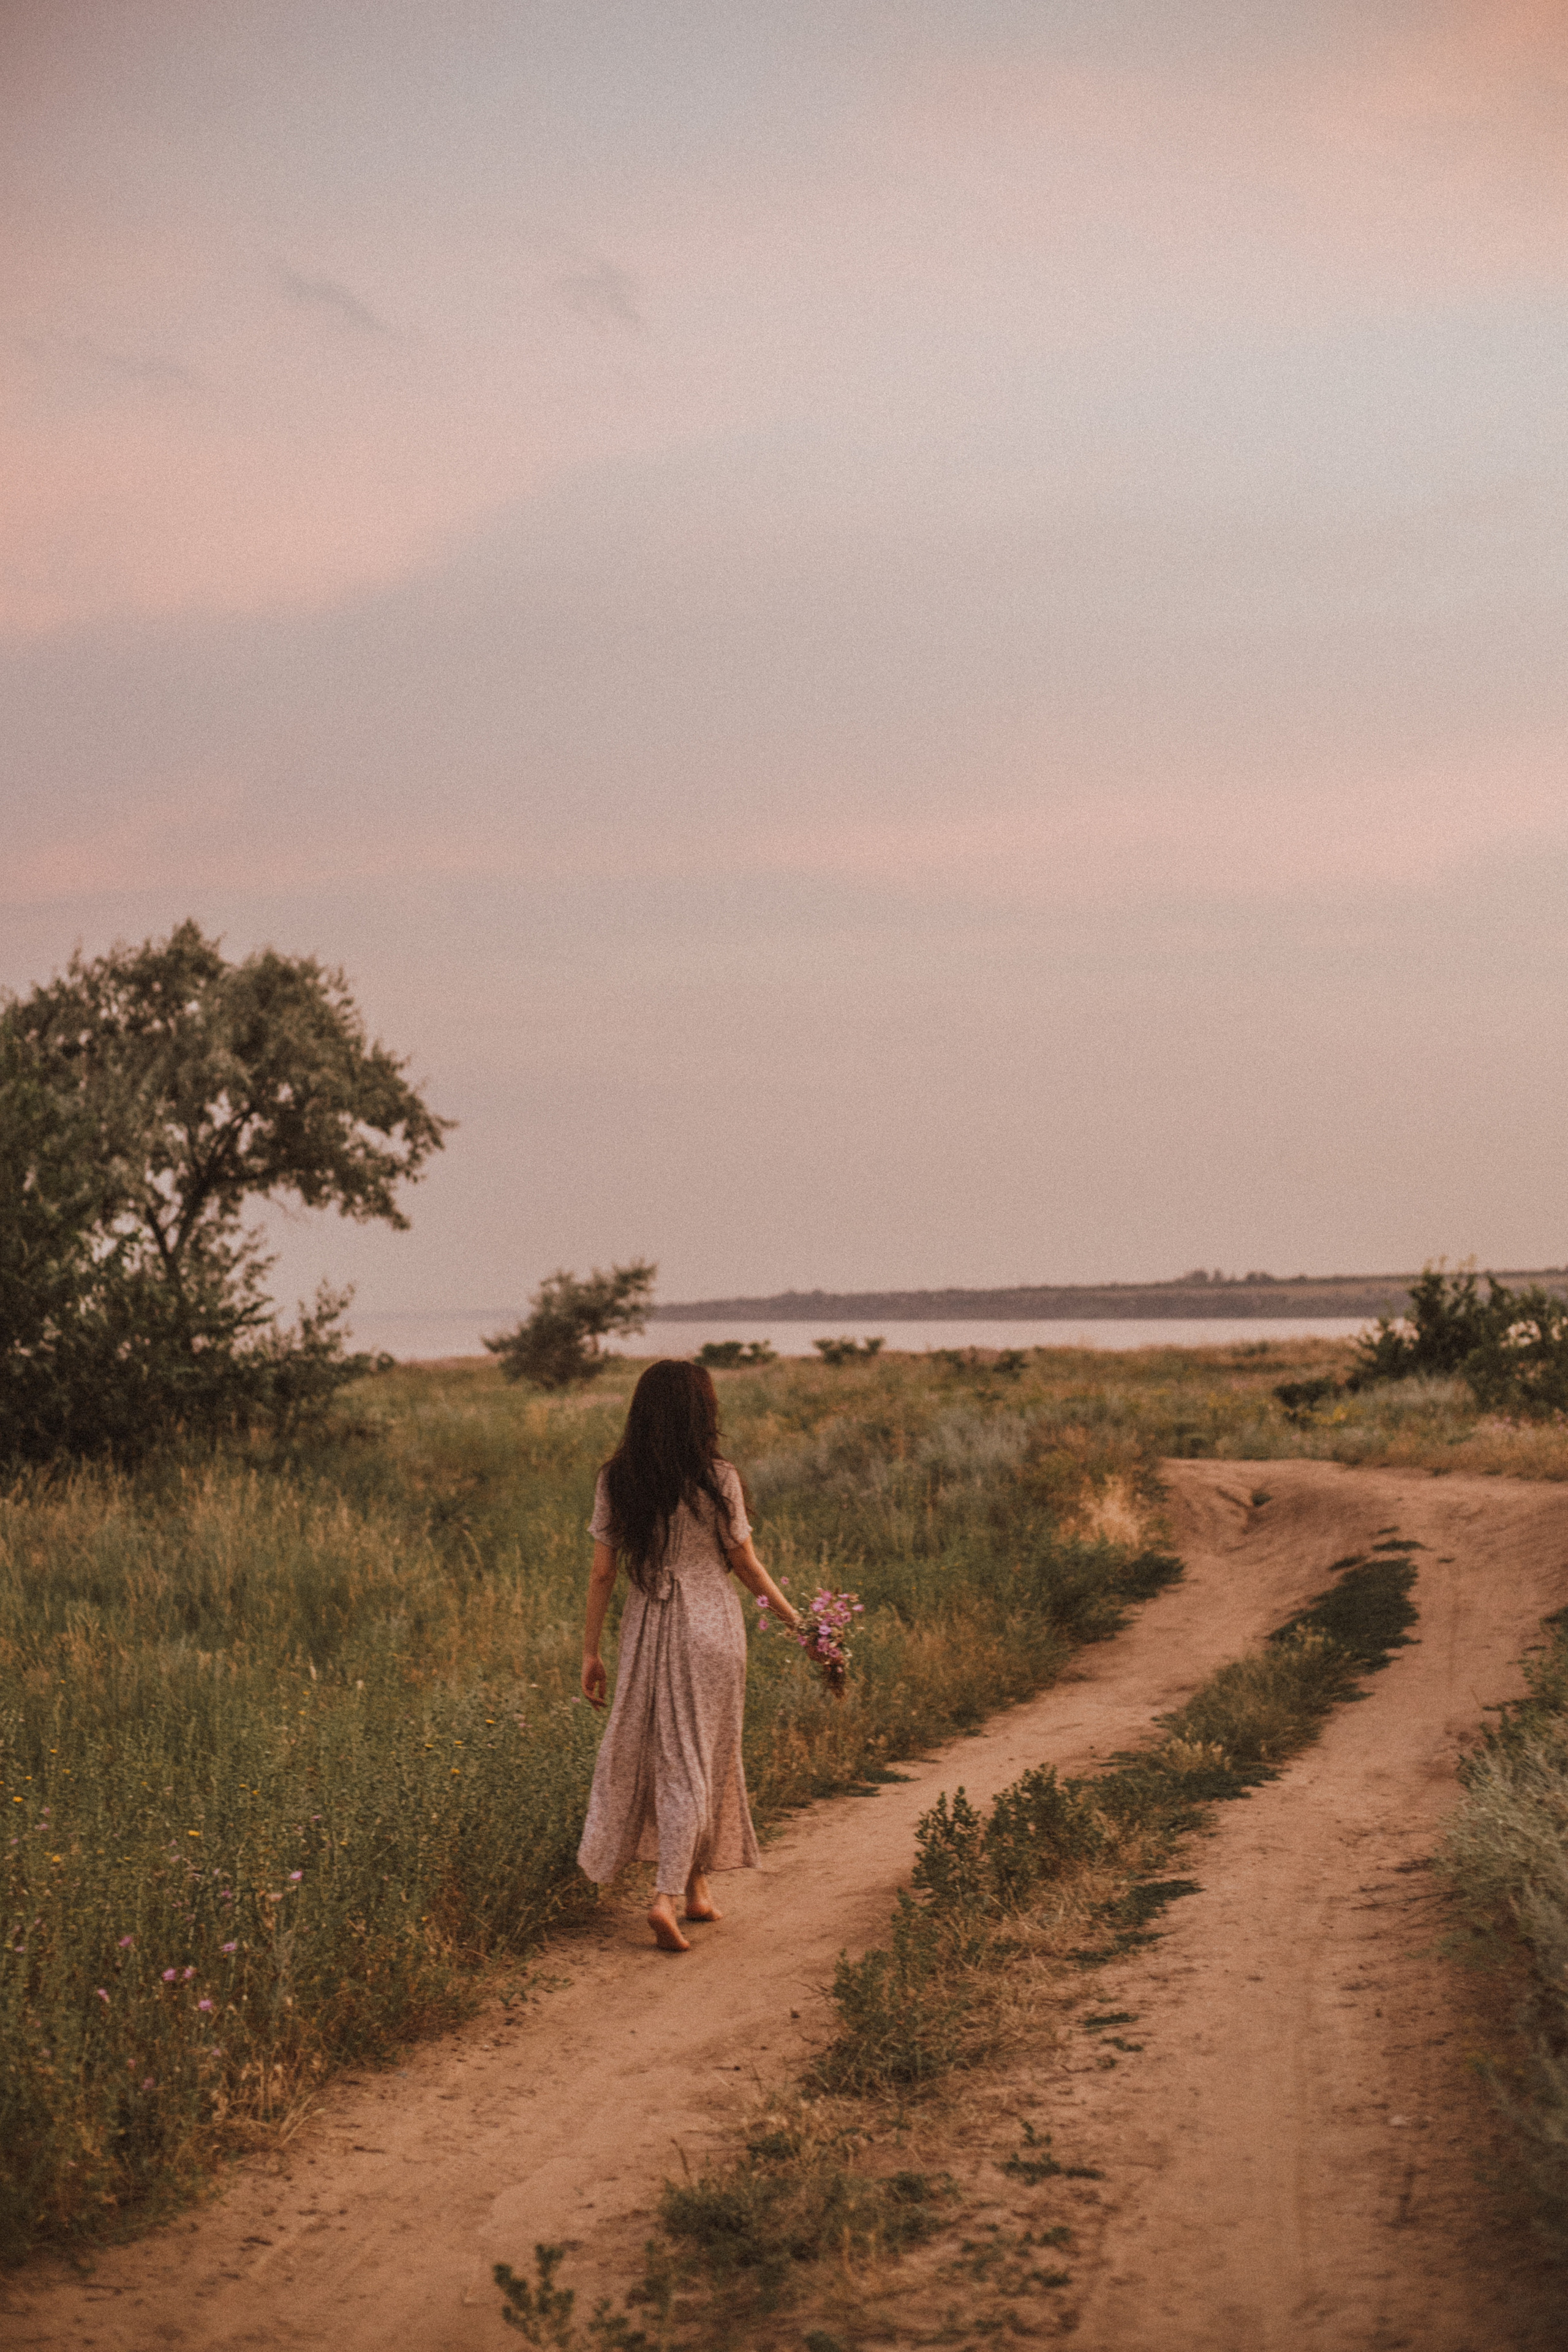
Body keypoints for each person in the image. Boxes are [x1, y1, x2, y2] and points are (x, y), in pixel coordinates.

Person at [576, 1358, 801, 1952]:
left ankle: (697, 1889)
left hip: (649, 1625)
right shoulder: (717, 1477)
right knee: (701, 1754)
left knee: (675, 1756)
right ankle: (667, 1896)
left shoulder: (618, 1478)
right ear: (703, 1412)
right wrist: (801, 1624)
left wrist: (590, 1652)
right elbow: (746, 1566)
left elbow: (602, 1575)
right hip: (712, 1627)